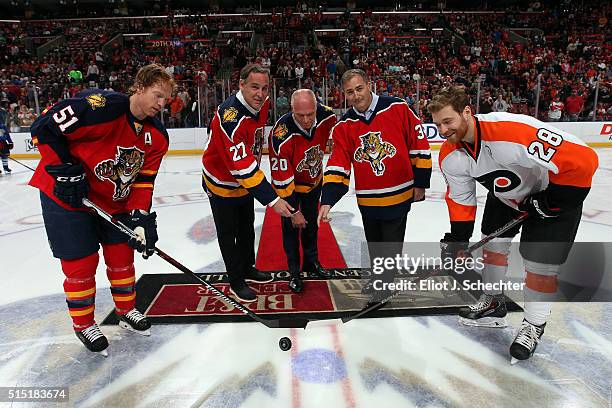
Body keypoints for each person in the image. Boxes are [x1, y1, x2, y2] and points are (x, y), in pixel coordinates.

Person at [428, 86, 598, 363]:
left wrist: (552, 201)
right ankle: (494, 301)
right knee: (492, 243)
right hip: (508, 196)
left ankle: (534, 324)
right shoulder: (450, 155)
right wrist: (458, 239)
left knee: (539, 265)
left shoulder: (511, 131)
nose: (444, 130)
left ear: (467, 112)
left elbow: (583, 160)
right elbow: (461, 199)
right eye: (438, 124)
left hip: (556, 196)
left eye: (448, 121)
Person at [29, 63, 176, 355]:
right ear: (140, 87)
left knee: (122, 256)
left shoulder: (157, 136)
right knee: (81, 263)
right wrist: (63, 169)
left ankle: (126, 309)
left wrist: (140, 217)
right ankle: (84, 323)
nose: (161, 105)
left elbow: (144, 182)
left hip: (114, 202)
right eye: (157, 96)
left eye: (166, 100)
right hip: (68, 199)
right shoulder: (100, 107)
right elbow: (43, 128)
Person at [317, 69, 432, 297]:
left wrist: (420, 182)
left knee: (390, 244)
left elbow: (419, 143)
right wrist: (328, 200)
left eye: (359, 88)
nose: (356, 95)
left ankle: (385, 286)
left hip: (399, 192)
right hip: (368, 198)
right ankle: (380, 279)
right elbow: (337, 164)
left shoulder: (397, 107)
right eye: (350, 92)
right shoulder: (344, 126)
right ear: (345, 95)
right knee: (375, 244)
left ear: (369, 85)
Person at [201, 63, 294, 302]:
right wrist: (273, 199)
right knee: (227, 232)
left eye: (264, 88)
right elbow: (242, 167)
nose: (260, 94)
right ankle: (236, 280)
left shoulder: (261, 106)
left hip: (244, 181)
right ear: (240, 85)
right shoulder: (230, 119)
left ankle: (247, 267)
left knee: (246, 227)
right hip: (220, 182)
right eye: (254, 87)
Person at [269, 89, 337, 293]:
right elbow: (281, 178)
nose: (307, 120)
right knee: (291, 229)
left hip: (314, 182)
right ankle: (294, 272)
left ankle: (311, 262)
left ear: (317, 107)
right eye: (301, 115)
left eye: (310, 113)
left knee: (311, 227)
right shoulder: (280, 134)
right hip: (290, 188)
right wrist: (293, 211)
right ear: (291, 110)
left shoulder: (328, 116)